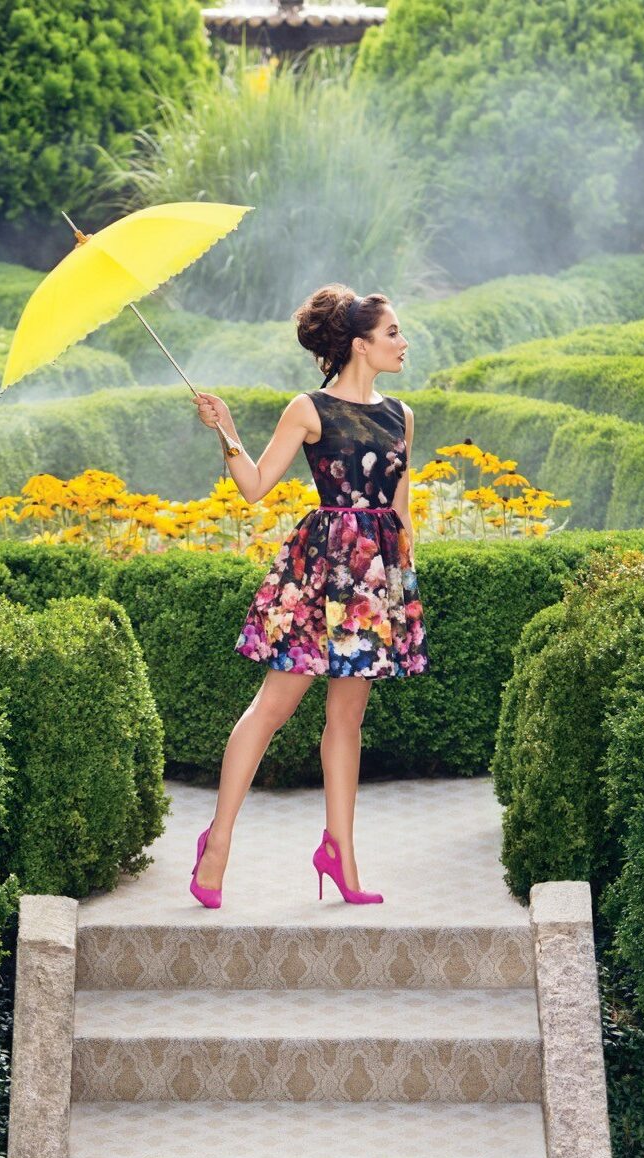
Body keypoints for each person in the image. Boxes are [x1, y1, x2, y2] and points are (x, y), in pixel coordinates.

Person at [186, 284, 430, 909]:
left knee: (347, 719)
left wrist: (400, 593)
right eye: (394, 333)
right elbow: (256, 487)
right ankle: (216, 844)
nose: (405, 343)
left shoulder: (402, 414)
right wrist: (228, 431)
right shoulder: (308, 408)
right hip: (319, 571)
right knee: (272, 708)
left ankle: (341, 856)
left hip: (373, 581)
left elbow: (400, 513)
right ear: (360, 344)